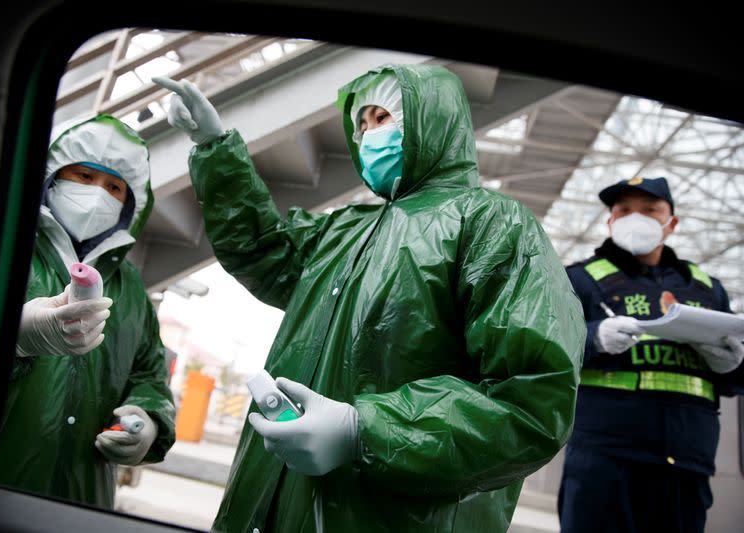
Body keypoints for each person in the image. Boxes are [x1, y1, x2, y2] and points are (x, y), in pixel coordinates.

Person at [154, 64, 585, 532]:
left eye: (382, 118)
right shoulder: (344, 229)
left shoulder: (491, 224)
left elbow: (530, 400)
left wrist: (366, 430)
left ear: (431, 123)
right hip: (270, 504)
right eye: (361, 123)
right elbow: (262, 250)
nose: (366, 135)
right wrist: (215, 151)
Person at [0, 114, 176, 509]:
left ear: (130, 205)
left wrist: (148, 420)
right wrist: (14, 340)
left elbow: (149, 374)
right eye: (84, 177)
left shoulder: (130, 288)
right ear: (52, 178)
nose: (98, 195)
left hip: (82, 500)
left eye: (114, 187)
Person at [557, 176, 744, 532]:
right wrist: (593, 337)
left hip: (687, 464)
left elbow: (737, 377)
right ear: (610, 221)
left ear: (671, 223)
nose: (635, 218)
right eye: (623, 210)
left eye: (650, 210)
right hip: (604, 458)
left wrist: (734, 364)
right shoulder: (580, 280)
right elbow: (543, 351)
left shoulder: (707, 289)